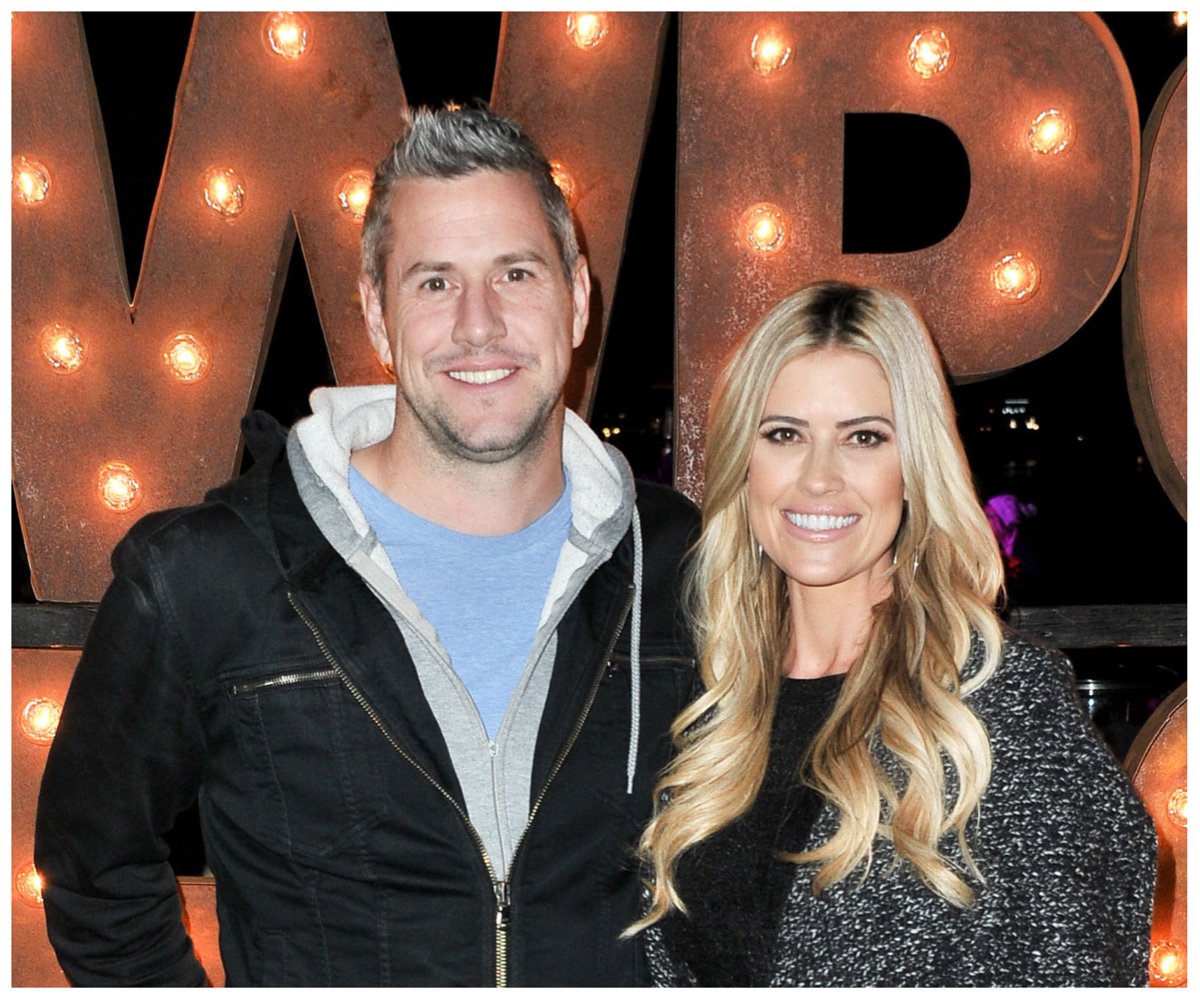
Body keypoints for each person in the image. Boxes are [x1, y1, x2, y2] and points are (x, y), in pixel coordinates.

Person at [35, 104, 698, 987]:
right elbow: (93, 874)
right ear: (377, 318)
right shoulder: (205, 575)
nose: (478, 323)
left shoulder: (682, 558)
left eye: (515, 273)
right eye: (433, 282)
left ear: (577, 297)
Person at [633, 281, 1156, 987]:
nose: (820, 478)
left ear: (913, 468)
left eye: (864, 437)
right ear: (743, 462)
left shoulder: (1004, 706)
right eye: (785, 434)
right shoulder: (707, 701)